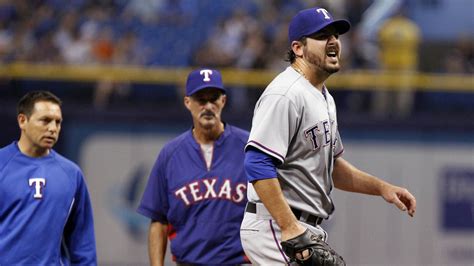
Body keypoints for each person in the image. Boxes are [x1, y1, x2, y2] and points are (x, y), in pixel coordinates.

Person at [240, 7, 417, 265]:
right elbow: (257, 163)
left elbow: (331, 168)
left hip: (299, 227)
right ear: (298, 48)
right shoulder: (285, 94)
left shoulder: (323, 97)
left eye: (336, 35)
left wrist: (382, 188)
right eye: (322, 35)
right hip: (276, 227)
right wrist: (289, 227)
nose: (334, 41)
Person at [137, 68, 250, 265]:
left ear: (223, 101)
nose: (207, 106)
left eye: (213, 98)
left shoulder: (249, 147)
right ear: (188, 103)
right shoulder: (170, 154)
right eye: (200, 99)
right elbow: (158, 220)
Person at [0, 90, 97, 265]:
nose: (53, 128)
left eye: (58, 122)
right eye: (45, 120)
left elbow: (82, 243)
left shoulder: (71, 174)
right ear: (22, 120)